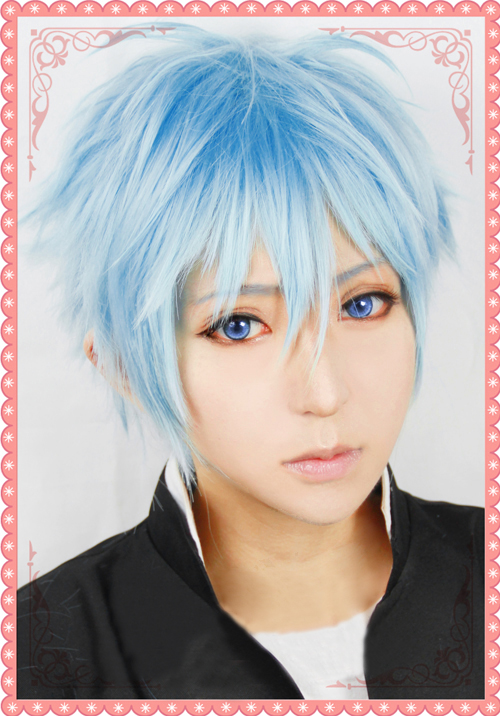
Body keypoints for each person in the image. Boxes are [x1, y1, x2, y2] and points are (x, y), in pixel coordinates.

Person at [17, 26, 484, 701]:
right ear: (124, 366)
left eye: (363, 304)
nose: (325, 392)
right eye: (239, 325)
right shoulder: (39, 659)